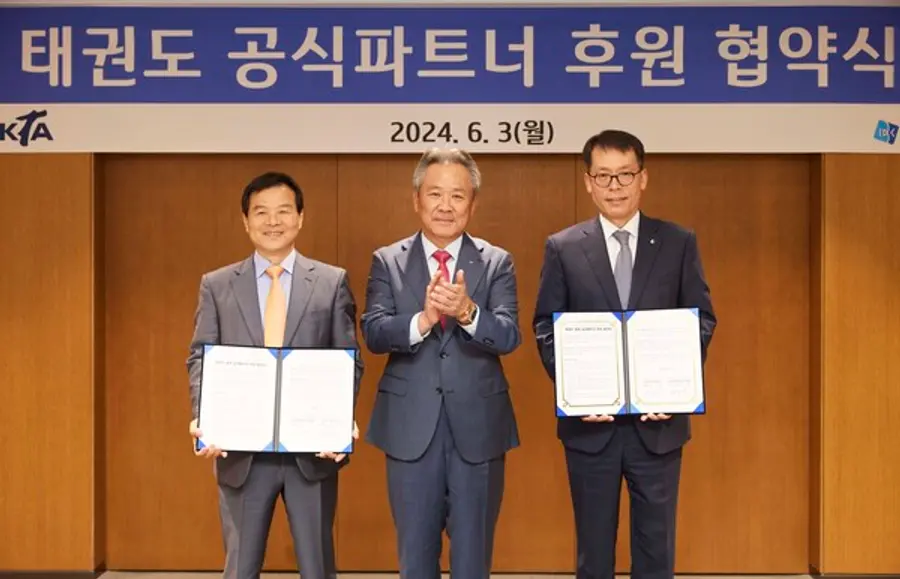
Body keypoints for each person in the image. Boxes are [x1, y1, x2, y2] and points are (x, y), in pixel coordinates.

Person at [533, 130, 717, 579]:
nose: (614, 186)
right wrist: (578, 393)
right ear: (588, 182)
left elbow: (701, 321)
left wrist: (673, 390)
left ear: (643, 178)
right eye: (604, 176)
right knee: (593, 552)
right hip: (589, 429)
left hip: (659, 429)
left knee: (656, 551)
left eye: (625, 175)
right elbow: (546, 328)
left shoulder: (677, 242)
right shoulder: (563, 247)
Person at [186, 171, 364, 579]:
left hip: (311, 454)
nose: (273, 221)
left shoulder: (331, 282)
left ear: (300, 217)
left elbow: (347, 359)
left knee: (318, 568)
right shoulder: (217, 285)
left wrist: (339, 420)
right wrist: (204, 417)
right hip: (240, 453)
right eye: (261, 212)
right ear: (245, 221)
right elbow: (200, 357)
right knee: (240, 568)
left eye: (283, 211)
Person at [361, 148, 520, 579]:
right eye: (435, 194)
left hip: (479, 428)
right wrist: (423, 320)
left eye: (457, 196)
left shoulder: (496, 261)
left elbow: (509, 335)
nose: (445, 206)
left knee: (473, 562)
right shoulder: (388, 260)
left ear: (473, 204)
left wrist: (468, 312)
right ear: (417, 199)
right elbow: (373, 332)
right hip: (410, 428)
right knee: (415, 560)